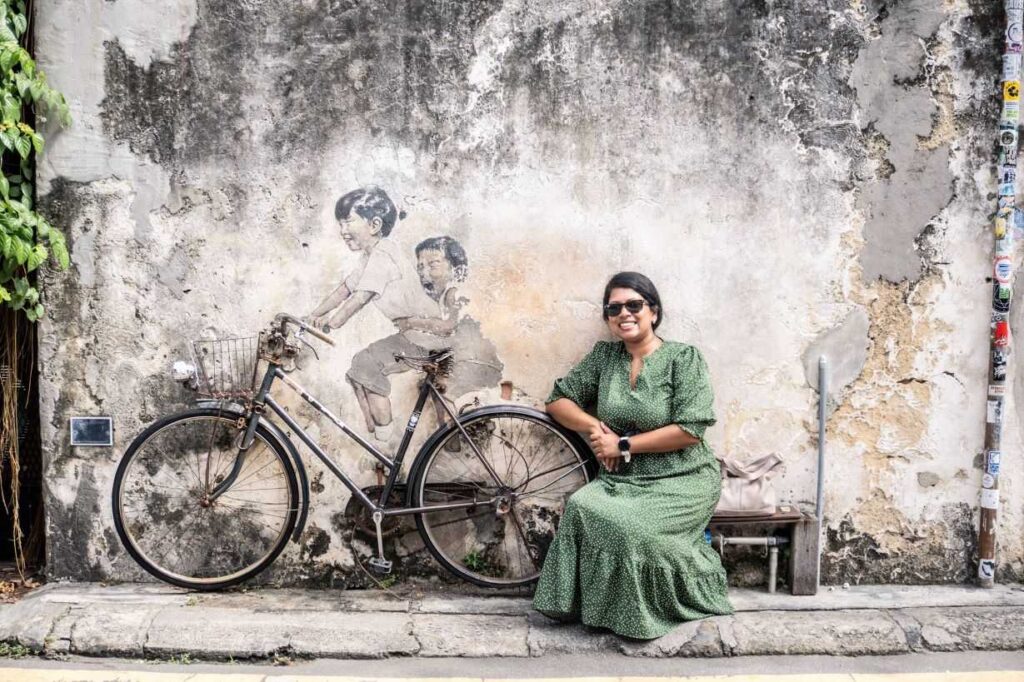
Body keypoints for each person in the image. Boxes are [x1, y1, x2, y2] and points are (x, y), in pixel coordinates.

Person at [532, 271, 733, 640]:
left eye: (634, 305)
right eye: (614, 308)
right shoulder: (605, 358)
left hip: (682, 478)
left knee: (632, 529)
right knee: (580, 506)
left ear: (653, 312)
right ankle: (596, 608)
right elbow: (557, 401)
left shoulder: (683, 359)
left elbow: (690, 430)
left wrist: (623, 445)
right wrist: (596, 428)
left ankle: (652, 610)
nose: (624, 313)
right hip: (622, 480)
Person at [309, 186, 438, 443]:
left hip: (425, 336)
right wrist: (311, 315)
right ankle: (377, 435)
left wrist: (329, 324)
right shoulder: (371, 255)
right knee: (359, 366)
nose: (343, 230)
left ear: (374, 224)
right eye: (340, 223)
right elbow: (345, 289)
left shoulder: (384, 254)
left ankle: (387, 444)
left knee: (367, 366)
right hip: (414, 335)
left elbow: (360, 298)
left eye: (348, 222)